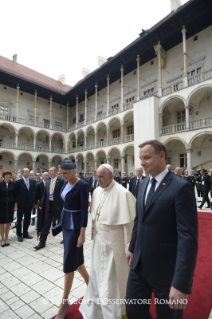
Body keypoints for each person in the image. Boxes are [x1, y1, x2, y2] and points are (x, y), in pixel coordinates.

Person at [126, 140, 198, 319]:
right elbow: (139, 220)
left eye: (147, 157)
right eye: (141, 158)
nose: (142, 162)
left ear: (162, 156)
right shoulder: (142, 184)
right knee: (133, 311)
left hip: (166, 272)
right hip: (139, 267)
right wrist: (132, 247)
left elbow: (187, 238)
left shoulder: (181, 187)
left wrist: (181, 283)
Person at [79, 164, 136, 319]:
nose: (97, 180)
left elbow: (128, 226)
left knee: (111, 283)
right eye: (96, 176)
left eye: (101, 177)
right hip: (99, 243)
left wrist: (128, 248)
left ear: (111, 176)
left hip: (115, 245)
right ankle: (95, 312)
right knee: (97, 277)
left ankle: (114, 313)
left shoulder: (123, 193)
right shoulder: (96, 191)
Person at [55, 159, 89, 319]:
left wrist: (82, 234)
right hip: (66, 224)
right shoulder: (65, 182)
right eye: (61, 173)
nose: (62, 176)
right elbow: (64, 202)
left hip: (75, 228)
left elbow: (84, 210)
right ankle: (92, 285)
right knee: (77, 260)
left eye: (65, 173)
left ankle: (64, 302)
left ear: (74, 171)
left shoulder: (82, 185)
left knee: (69, 261)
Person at [34, 167, 64, 250]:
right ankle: (42, 242)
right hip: (49, 205)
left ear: (55, 172)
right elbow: (45, 194)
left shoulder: (61, 181)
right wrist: (41, 205)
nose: (49, 172)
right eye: (49, 171)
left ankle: (65, 238)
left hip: (58, 206)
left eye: (51, 171)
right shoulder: (48, 181)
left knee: (63, 223)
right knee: (46, 224)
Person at [16, 168, 37, 242]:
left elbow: (34, 192)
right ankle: (19, 234)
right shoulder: (18, 182)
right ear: (22, 173)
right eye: (26, 172)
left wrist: (35, 203)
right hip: (21, 204)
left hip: (29, 203)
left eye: (28, 172)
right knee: (19, 220)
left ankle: (25, 233)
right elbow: (16, 194)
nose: (28, 173)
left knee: (27, 219)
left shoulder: (33, 181)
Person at [0, 170, 17, 247]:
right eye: (6, 174)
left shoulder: (13, 184)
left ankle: (7, 238)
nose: (7, 176)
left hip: (10, 205)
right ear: (3, 176)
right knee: (1, 223)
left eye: (9, 174)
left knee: (8, 222)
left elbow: (15, 196)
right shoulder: (0, 184)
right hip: (1, 205)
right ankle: (2, 239)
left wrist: (15, 206)